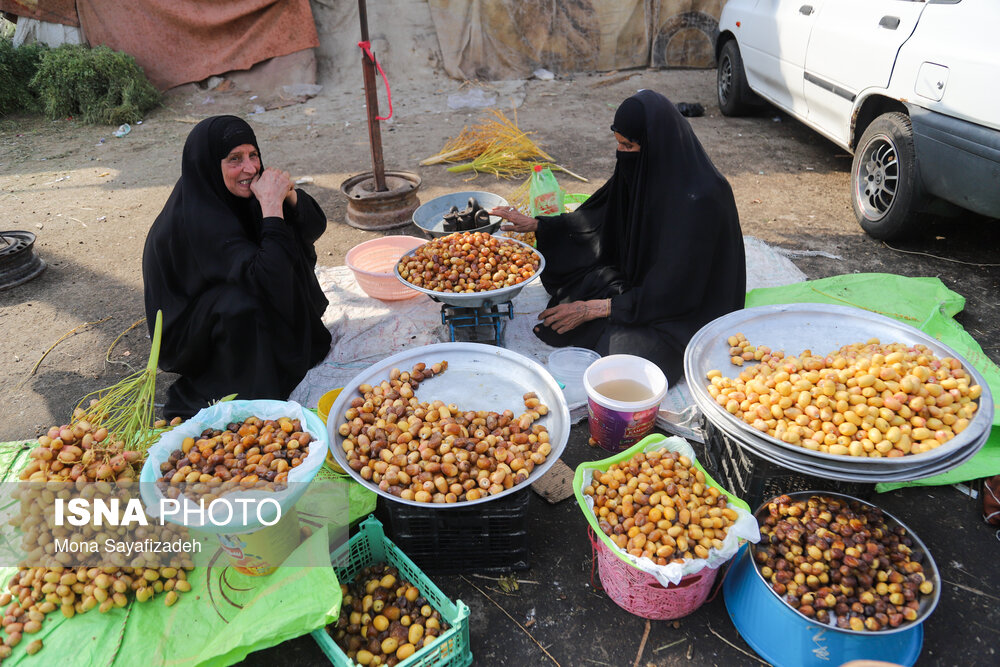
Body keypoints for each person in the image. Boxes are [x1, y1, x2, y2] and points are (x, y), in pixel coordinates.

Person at [491, 89, 745, 386]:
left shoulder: (701, 199)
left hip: (687, 306)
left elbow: (676, 290)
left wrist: (593, 309)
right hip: (641, 285)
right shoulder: (643, 169)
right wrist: (540, 225)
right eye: (618, 144)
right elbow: (598, 218)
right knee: (578, 285)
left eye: (628, 145)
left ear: (654, 143)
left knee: (623, 357)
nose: (621, 153)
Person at [142, 115, 332, 419]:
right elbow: (268, 278)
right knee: (243, 301)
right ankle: (248, 381)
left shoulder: (235, 192)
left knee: (285, 240)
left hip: (223, 293)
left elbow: (314, 227)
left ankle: (286, 347)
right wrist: (271, 208)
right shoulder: (199, 218)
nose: (250, 167)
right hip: (188, 334)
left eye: (253, 154)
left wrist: (287, 194)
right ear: (209, 164)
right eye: (234, 159)